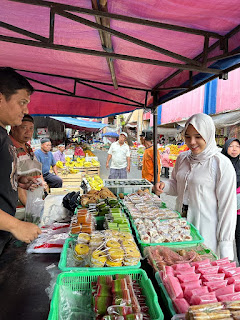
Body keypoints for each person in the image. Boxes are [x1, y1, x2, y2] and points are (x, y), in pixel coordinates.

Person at [154, 113, 237, 260]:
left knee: (200, 275)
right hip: (179, 228)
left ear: (208, 134)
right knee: (180, 272)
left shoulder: (220, 164)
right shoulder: (182, 158)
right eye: (188, 136)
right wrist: (164, 186)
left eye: (198, 136)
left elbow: (227, 209)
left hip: (206, 232)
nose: (192, 142)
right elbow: (176, 185)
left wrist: (226, 249)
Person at [0, 67, 41, 248]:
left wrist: (14, 181)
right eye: (22, 102)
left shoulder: (3, 135)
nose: (26, 110)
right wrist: (16, 225)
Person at [9, 114, 46, 206]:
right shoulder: (9, 148)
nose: (28, 132)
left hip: (35, 201)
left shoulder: (28, 148)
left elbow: (36, 171)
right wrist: (30, 209)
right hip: (20, 207)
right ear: (13, 128)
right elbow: (10, 181)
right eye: (24, 127)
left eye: (31, 128)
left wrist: (43, 182)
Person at [221, 138, 240, 263]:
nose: (234, 149)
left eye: (237, 146)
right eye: (231, 146)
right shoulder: (220, 163)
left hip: (238, 208)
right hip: (222, 206)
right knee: (224, 234)